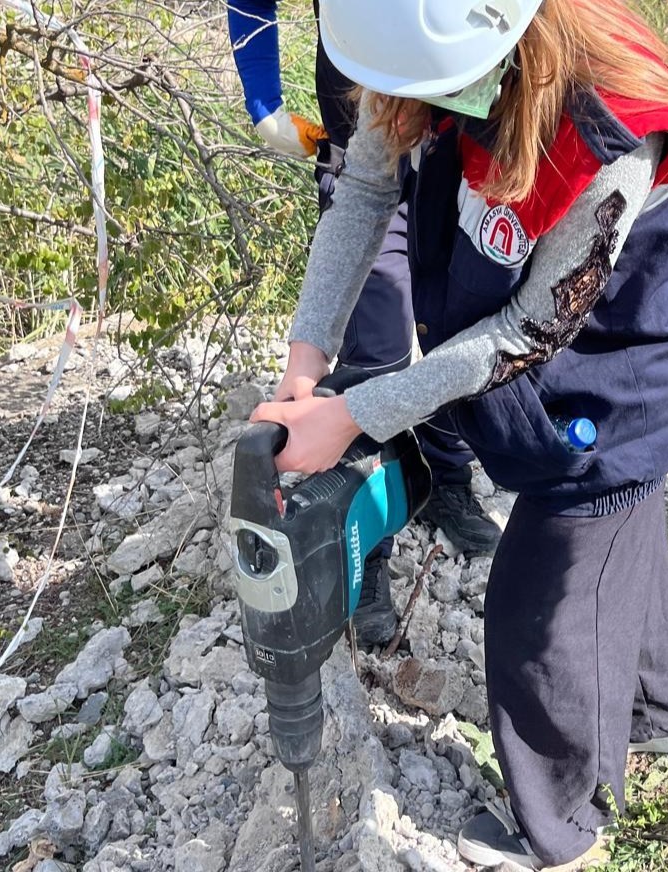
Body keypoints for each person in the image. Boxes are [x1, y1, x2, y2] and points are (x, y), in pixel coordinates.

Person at [249, 0, 668, 866]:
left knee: (544, 608)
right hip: (532, 361)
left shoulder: (604, 123)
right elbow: (360, 193)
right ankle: (663, 715)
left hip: (620, 371)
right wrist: (302, 367)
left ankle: (561, 830)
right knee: (620, 535)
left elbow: (527, 332)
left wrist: (354, 415)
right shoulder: (408, 44)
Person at [225, 0, 503, 646]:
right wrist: (262, 95)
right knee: (372, 331)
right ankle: (364, 538)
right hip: (364, 98)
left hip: (472, 88)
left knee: (460, 303)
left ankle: (445, 475)